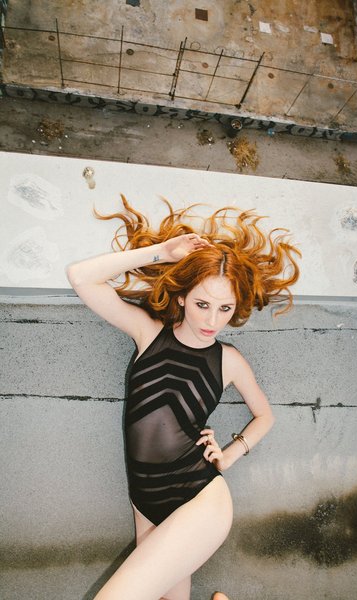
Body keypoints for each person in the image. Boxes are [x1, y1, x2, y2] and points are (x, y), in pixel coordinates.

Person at [66, 196, 300, 600]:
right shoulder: (149, 334)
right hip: (145, 499)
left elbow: (265, 415)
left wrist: (230, 454)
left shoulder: (228, 361)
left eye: (224, 308)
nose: (212, 320)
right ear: (181, 298)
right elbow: (80, 277)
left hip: (198, 499)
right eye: (202, 304)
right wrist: (163, 252)